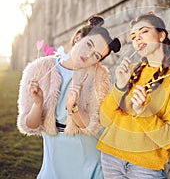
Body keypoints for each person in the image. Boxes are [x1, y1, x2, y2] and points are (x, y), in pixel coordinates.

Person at [17, 14, 121, 179]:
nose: (88, 55)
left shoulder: (98, 77)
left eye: (96, 55)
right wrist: (38, 104)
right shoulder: (40, 69)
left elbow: (92, 126)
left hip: (87, 155)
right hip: (54, 152)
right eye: (89, 45)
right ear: (78, 37)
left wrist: (73, 109)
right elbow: (29, 125)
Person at [96, 12, 170, 178]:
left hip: (145, 166)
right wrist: (119, 86)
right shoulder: (131, 71)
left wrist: (143, 112)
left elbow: (169, 138)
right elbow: (105, 120)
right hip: (111, 157)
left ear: (161, 35)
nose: (137, 39)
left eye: (144, 32)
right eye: (133, 36)